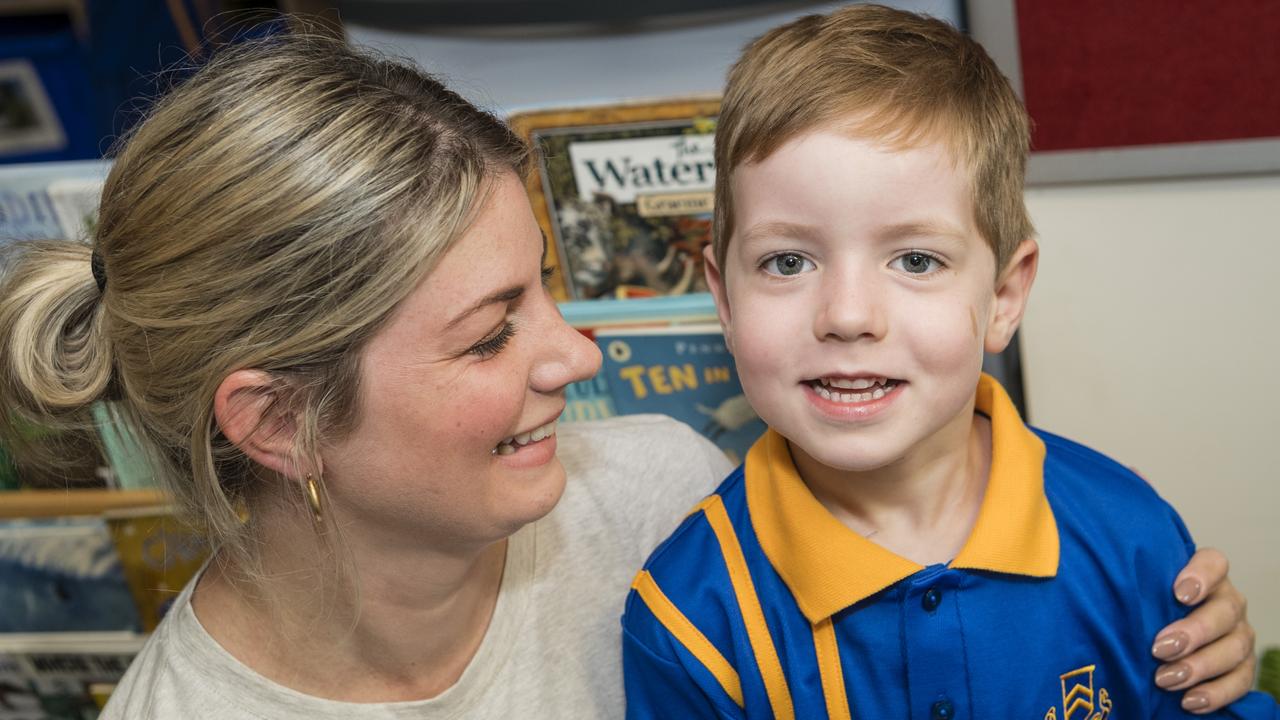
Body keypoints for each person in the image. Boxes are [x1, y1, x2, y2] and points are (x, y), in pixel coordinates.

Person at [0, 31, 1255, 720]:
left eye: (547, 286)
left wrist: (1197, 642)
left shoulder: (650, 486)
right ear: (280, 422)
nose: (580, 354)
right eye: (492, 331)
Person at [620, 5, 1276, 720]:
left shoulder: (1128, 531)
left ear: (1003, 295)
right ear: (723, 296)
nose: (846, 315)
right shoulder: (686, 620)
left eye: (915, 259)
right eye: (786, 261)